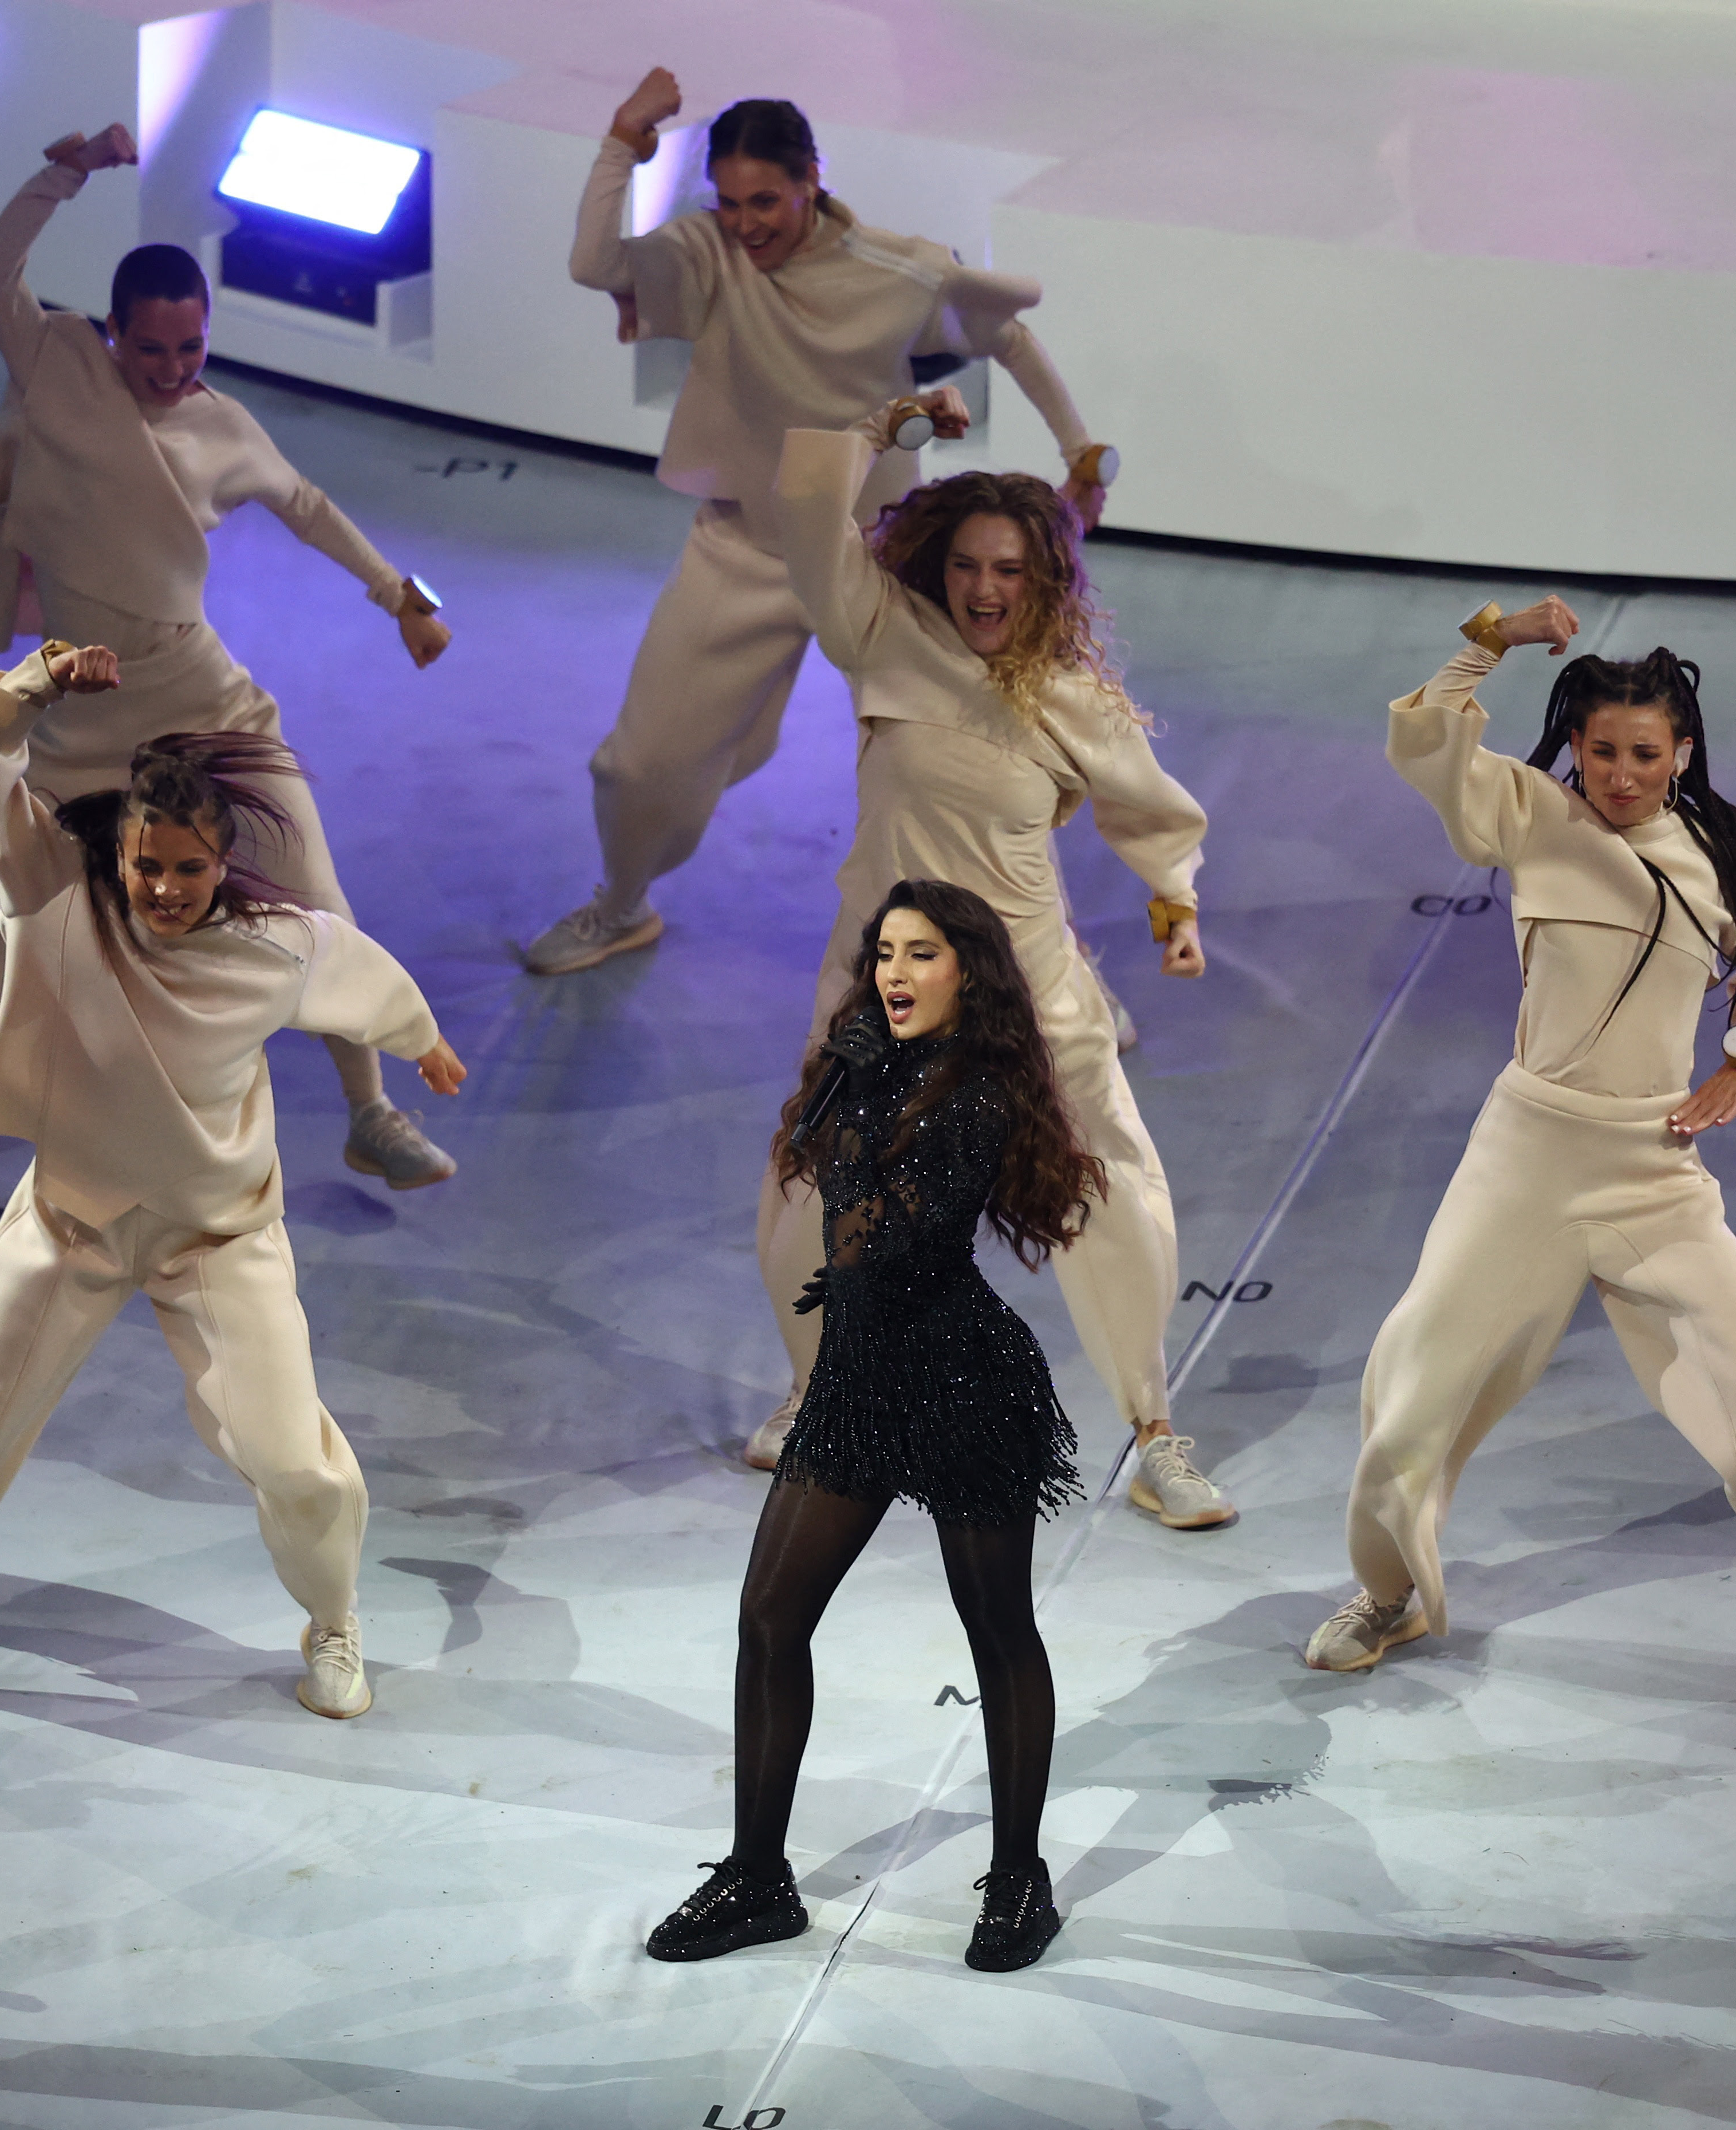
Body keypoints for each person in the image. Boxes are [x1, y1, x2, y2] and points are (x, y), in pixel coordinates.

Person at [0, 650, 465, 1723]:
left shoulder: (272, 949)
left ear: (221, 863)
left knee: (295, 1457)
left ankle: (333, 1618)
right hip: (74, 1218)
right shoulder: (55, 896)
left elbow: (361, 974)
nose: (162, 888)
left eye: (188, 870)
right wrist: (42, 676)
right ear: (124, 849)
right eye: (147, 864)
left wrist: (422, 1042)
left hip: (220, 1234)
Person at [1304, 597, 1736, 1721]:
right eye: (1603, 751)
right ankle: (1385, 1593)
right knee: (1414, 1391)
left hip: (1654, 1163)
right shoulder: (1532, 817)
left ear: (1681, 751)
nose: (1623, 773)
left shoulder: (1728, 859)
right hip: (1524, 1159)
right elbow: (1423, 738)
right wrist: (1485, 643)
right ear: (1579, 747)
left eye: (1646, 754)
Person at [0, 123, 458, 1193]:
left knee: (311, 891)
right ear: (109, 333)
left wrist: (404, 597)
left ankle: (370, 1108)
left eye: (193, 350)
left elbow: (310, 510)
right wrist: (69, 171)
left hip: (201, 694)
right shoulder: (52, 365)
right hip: (77, 698)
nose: (175, 370)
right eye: (153, 350)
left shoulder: (223, 425)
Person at [742, 388, 1233, 1528]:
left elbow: (1155, 822)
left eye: (1010, 570)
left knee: (1106, 1193)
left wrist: (1176, 918)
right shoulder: (880, 636)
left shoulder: (1073, 700)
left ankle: (1155, 1435)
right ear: (937, 566)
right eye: (967, 564)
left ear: (1043, 582)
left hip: (1027, 995)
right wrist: (880, 424)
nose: (984, 588)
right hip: (884, 989)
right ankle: (816, 1394)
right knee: (815, 1195)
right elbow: (809, 511)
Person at [524, 76, 1118, 977]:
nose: (746, 222)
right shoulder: (709, 255)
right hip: (745, 548)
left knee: (974, 771)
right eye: (727, 202)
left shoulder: (897, 270)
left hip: (881, 561)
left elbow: (1010, 337)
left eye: (766, 200)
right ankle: (621, 906)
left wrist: (1081, 453)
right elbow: (593, 265)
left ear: (813, 182)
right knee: (636, 770)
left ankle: (1056, 979)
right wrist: (620, 142)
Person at [649, 879, 1091, 1974]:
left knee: (998, 1635)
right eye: (884, 953)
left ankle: (1020, 1882)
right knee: (767, 1617)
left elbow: (876, 1237)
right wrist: (849, 1088)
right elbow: (822, 1180)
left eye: (922, 954)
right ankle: (757, 1878)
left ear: (967, 972)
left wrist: (850, 1100)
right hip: (857, 1385)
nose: (894, 974)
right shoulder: (876, 1074)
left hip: (961, 1385)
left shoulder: (979, 1093)